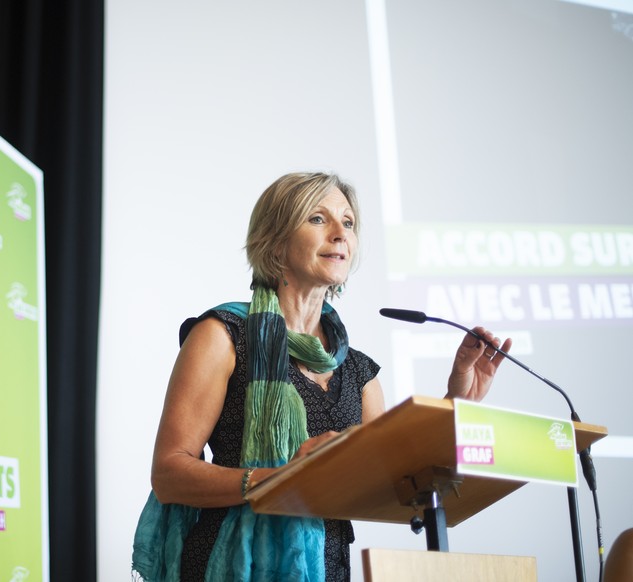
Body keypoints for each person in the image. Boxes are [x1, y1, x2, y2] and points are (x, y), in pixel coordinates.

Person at [131, 171, 512, 581]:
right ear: (275, 241)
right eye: (318, 219)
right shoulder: (223, 335)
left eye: (347, 223)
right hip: (233, 566)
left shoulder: (358, 371)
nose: (340, 234)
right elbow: (169, 473)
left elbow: (400, 477)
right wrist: (279, 480)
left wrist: (459, 402)